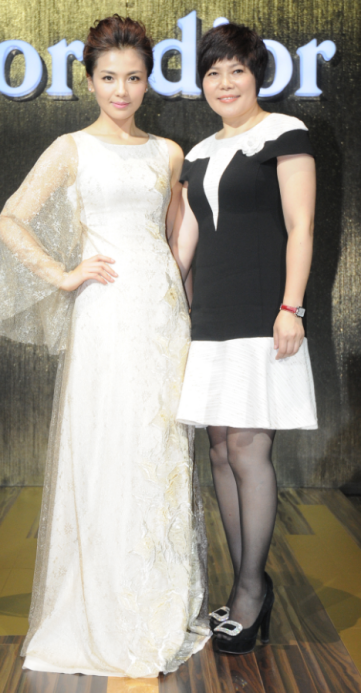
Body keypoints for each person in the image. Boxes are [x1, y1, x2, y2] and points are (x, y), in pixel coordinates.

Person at [0, 15, 210, 678]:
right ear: (89, 80)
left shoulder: (168, 153)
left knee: (158, 452)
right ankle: (100, 609)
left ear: (147, 81)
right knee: (105, 447)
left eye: (133, 78)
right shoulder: (70, 148)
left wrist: (184, 305)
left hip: (160, 317)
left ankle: (155, 605)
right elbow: (10, 219)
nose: (121, 90)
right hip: (104, 315)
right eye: (109, 77)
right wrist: (62, 273)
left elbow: (176, 240)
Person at [170, 22, 318, 655]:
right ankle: (244, 585)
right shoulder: (198, 152)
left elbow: (301, 225)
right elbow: (184, 246)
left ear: (258, 75)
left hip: (265, 312)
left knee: (249, 450)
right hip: (210, 319)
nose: (225, 83)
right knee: (220, 452)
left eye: (236, 70)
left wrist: (292, 307)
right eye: (213, 73)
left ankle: (252, 592)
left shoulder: (285, 132)